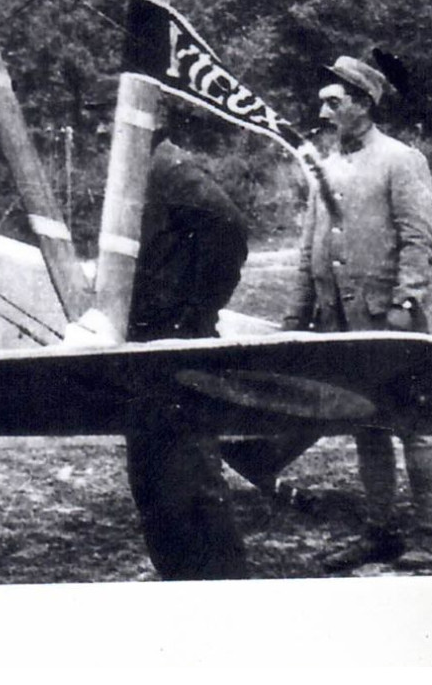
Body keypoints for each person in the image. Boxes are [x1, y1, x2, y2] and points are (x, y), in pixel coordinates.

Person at [285, 55, 432, 572]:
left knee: (413, 425)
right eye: (323, 103)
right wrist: (296, 317)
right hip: (342, 325)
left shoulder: (402, 160)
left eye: (335, 102)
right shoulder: (323, 169)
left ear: (364, 105)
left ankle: (429, 534)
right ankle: (381, 531)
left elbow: (419, 241)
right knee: (366, 427)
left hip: (394, 322)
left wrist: (404, 303)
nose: (324, 112)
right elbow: (310, 250)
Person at [124, 131, 250, 580]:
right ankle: (176, 576)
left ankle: (223, 582)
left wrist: (196, 307)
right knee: (150, 474)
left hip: (176, 342)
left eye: (108, 118)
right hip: (143, 343)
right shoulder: (137, 174)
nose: (102, 130)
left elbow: (230, 227)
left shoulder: (170, 169)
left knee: (191, 473)